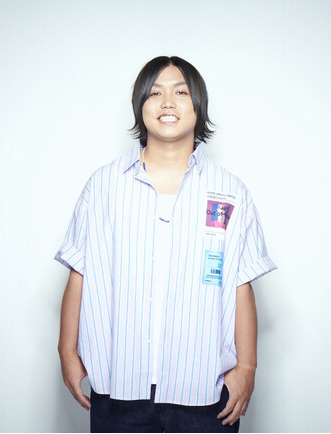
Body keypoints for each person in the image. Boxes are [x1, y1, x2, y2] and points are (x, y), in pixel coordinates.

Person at [55, 56, 277, 433]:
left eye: (181, 92)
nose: (168, 102)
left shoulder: (229, 192)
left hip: (204, 390)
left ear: (198, 106)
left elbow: (241, 283)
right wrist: (66, 350)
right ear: (140, 106)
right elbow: (80, 270)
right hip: (118, 386)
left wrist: (247, 366)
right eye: (155, 93)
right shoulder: (103, 186)